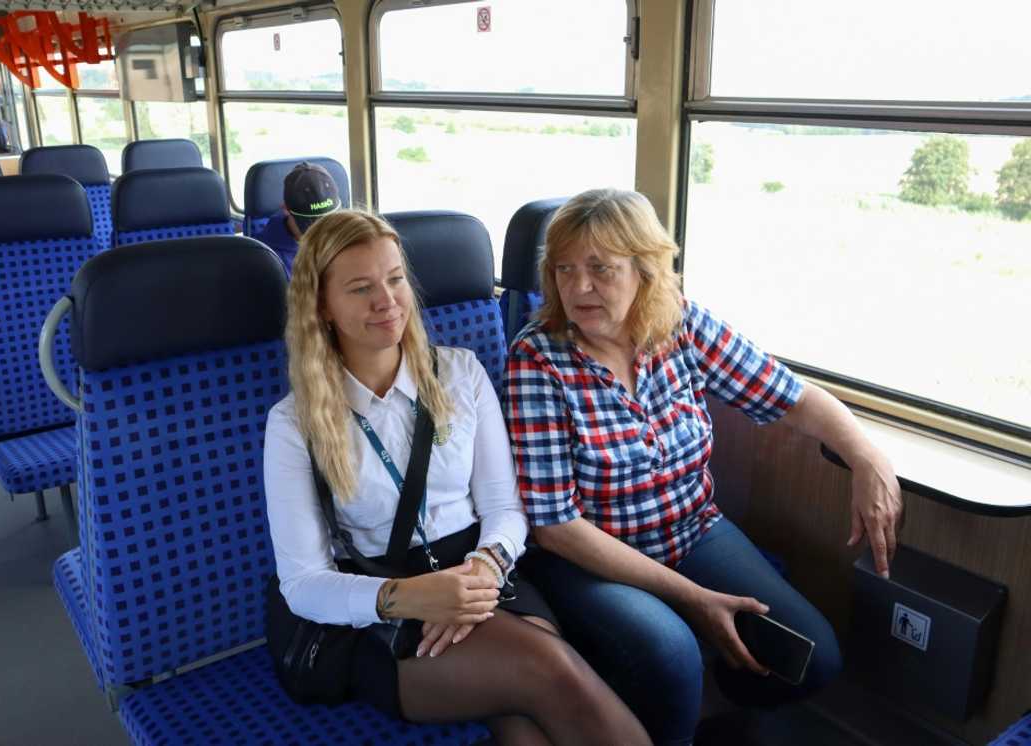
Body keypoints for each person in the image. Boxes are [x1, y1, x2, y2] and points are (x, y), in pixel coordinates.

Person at [503, 189, 904, 746]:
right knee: (671, 654)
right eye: (564, 270)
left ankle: (712, 702)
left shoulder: (681, 326)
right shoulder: (538, 358)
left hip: (693, 530)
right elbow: (554, 525)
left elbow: (791, 396)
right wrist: (691, 598)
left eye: (600, 268)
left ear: (646, 269)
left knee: (815, 658)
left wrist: (866, 456)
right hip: (589, 557)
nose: (578, 287)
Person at [263, 209, 652, 746]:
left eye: (395, 278)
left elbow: (504, 509)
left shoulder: (461, 373)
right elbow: (303, 583)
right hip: (375, 601)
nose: (388, 301)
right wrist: (410, 598)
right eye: (360, 288)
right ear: (322, 307)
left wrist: (482, 573)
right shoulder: (293, 423)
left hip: (480, 570)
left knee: (529, 714)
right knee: (548, 671)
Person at [252, 161, 341, 275]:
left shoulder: (346, 239)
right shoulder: (266, 258)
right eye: (313, 225)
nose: (323, 233)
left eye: (329, 221)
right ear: (286, 209)